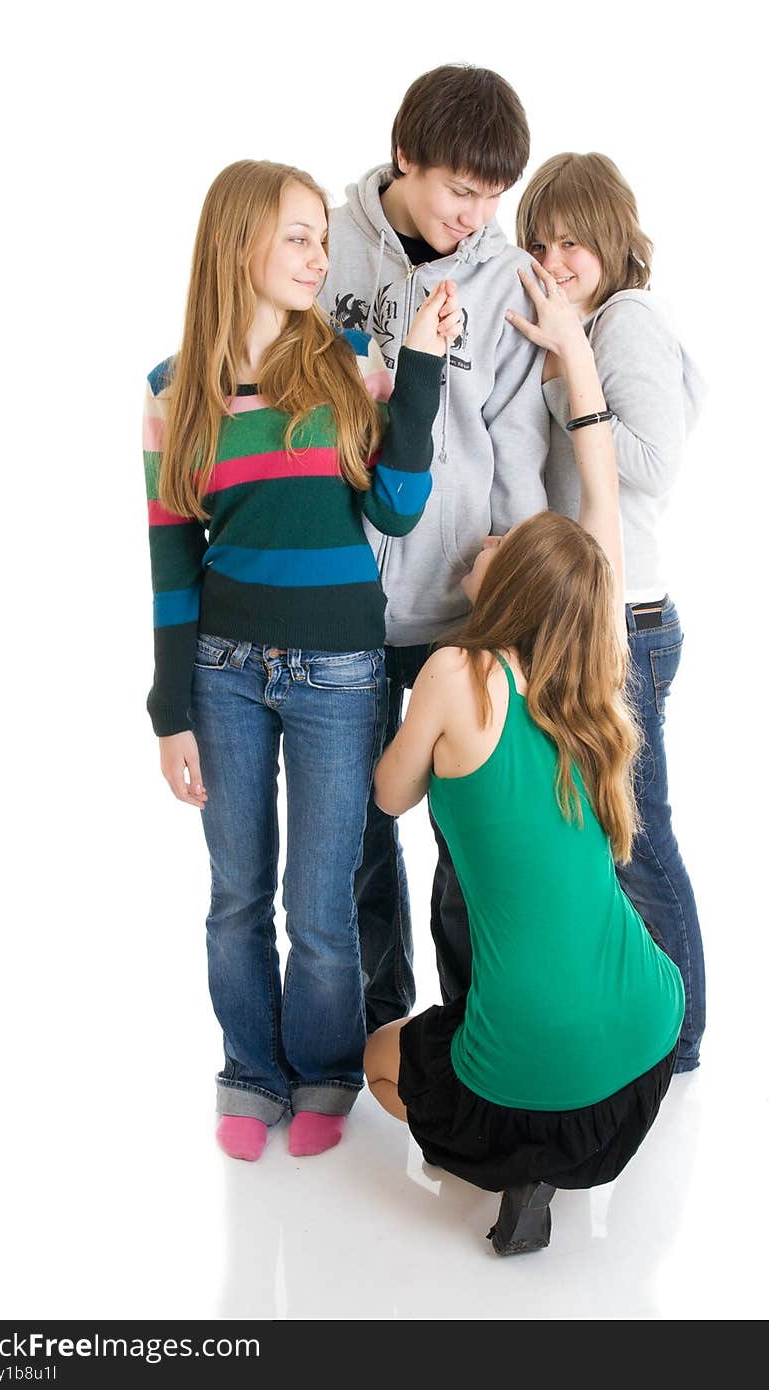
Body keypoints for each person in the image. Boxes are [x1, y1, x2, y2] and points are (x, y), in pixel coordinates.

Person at [363, 255, 684, 1255]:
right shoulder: (594, 663)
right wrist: (572, 352)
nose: (503, 531)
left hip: (526, 1094)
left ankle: (511, 1163)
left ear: (510, 592)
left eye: (514, 539)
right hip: (644, 1060)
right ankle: (544, 1149)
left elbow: (387, 793)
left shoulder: (458, 674)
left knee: (381, 1056)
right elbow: (596, 486)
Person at [142, 160, 460, 1162]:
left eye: (323, 237)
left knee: (320, 900)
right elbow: (169, 561)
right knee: (237, 890)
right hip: (224, 674)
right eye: (296, 236)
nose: (319, 256)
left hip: (338, 674)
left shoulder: (350, 363)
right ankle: (250, 1067)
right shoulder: (171, 392)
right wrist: (169, 708)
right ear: (238, 243)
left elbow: (397, 508)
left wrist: (416, 367)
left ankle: (325, 1067)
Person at [318, 64, 549, 1032]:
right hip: (340, 598)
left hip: (460, 600)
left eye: (492, 196)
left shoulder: (499, 276)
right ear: (404, 156)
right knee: (359, 827)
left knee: (472, 830)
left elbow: (516, 436)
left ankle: (472, 1024)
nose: (475, 214)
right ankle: (380, 1019)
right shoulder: (329, 244)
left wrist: (519, 581)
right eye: (461, 189)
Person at [515, 152, 706, 1072]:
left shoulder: (624, 321)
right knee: (607, 836)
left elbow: (652, 461)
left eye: (574, 242)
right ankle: (647, 1027)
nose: (555, 260)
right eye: (541, 244)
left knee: (640, 835)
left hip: (628, 621)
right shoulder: (582, 324)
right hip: (584, 618)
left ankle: (684, 1037)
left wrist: (566, 373)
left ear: (612, 241)